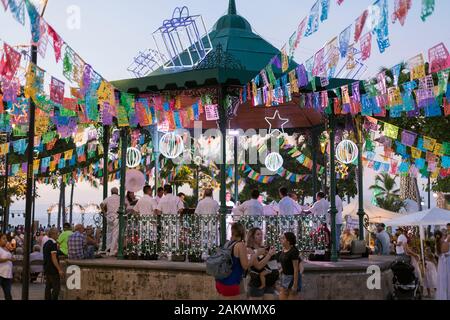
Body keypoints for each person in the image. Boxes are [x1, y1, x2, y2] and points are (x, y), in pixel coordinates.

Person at [215, 223, 249, 300]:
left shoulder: (228, 244)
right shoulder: (240, 245)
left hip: (221, 282)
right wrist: (256, 255)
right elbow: (245, 266)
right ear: (243, 232)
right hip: (231, 283)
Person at [246, 228, 277, 300]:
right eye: (258, 234)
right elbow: (258, 266)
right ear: (252, 236)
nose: (261, 236)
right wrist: (269, 255)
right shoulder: (249, 249)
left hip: (269, 283)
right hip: (256, 284)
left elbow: (271, 264)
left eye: (261, 234)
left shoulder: (264, 248)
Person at [278, 232, 301, 300]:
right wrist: (278, 272)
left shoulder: (293, 251)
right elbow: (285, 264)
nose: (281, 239)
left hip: (292, 278)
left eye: (283, 238)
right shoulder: (284, 249)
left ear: (288, 241)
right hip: (284, 277)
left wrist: (295, 285)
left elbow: (296, 269)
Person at [43, 228, 63, 300]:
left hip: (47, 267)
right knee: (56, 287)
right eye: (57, 233)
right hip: (53, 269)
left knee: (48, 286)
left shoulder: (46, 243)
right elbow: (53, 258)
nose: (58, 235)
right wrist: (59, 269)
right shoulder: (53, 244)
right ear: (53, 234)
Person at [100, 187, 120, 256]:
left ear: (111, 192)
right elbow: (125, 205)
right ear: (117, 192)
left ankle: (108, 248)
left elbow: (101, 204)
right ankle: (113, 251)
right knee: (115, 234)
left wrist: (104, 212)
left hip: (109, 216)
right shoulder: (119, 198)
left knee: (109, 233)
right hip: (116, 217)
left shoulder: (108, 198)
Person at [435, 229, 450, 300]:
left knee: (442, 280)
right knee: (447, 279)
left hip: (441, 265)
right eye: (445, 234)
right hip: (447, 264)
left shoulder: (437, 244)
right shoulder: (446, 244)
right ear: (442, 236)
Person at [0, 233, 13, 300]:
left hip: (7, 275)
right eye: (3, 238)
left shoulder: (7, 248)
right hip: (1, 274)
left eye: (6, 238)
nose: (5, 240)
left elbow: (11, 258)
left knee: (8, 294)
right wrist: (8, 259)